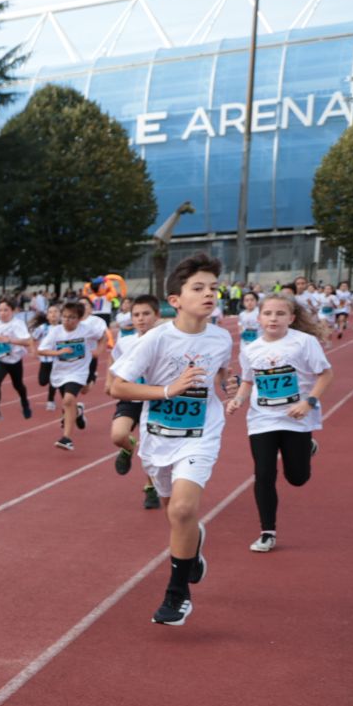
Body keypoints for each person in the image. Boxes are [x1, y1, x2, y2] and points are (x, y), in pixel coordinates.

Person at [106, 253, 234, 627]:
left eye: (213, 287)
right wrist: (168, 390)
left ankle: (177, 596)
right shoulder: (155, 339)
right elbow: (116, 386)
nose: (209, 293)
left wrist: (228, 383)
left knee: (181, 510)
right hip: (158, 436)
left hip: (201, 435)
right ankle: (193, 544)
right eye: (198, 288)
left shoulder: (221, 337)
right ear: (175, 300)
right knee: (172, 512)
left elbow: (221, 371)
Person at [226, 291, 333, 553]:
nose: (273, 318)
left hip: (296, 418)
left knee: (297, 478)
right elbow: (249, 381)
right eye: (268, 313)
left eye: (280, 313)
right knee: (263, 474)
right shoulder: (250, 349)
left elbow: (326, 374)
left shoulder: (304, 342)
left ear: (291, 318)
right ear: (259, 318)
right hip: (262, 419)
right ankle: (267, 532)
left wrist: (308, 402)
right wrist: (238, 400)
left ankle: (306, 448)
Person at [105, 294, 164, 511]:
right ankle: (128, 449)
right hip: (130, 396)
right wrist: (109, 380)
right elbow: (113, 359)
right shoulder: (126, 341)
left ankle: (151, 487)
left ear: (156, 315)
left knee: (150, 448)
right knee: (117, 435)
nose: (141, 319)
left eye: (146, 314)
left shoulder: (164, 341)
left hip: (155, 399)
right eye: (136, 315)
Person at [36, 297, 107, 452]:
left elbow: (103, 336)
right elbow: (40, 350)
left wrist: (98, 351)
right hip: (60, 372)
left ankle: (66, 438)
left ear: (79, 319)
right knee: (69, 403)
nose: (67, 320)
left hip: (79, 371)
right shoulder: (56, 331)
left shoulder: (86, 329)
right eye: (65, 316)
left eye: (72, 317)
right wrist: (58, 352)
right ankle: (78, 411)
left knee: (68, 401)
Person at [0, 296, 32, 425]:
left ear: (13, 311)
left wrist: (9, 340)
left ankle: (25, 403)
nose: (2, 313)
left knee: (18, 386)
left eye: (5, 310)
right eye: (0, 310)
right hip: (2, 359)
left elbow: (27, 341)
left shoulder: (18, 324)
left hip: (15, 361)